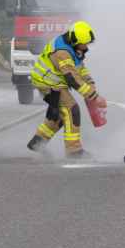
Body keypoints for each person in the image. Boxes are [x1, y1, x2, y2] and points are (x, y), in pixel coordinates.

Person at [27, 21, 107, 158]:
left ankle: (38, 142)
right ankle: (74, 151)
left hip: (54, 82)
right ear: (76, 40)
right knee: (71, 110)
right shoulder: (62, 52)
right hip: (47, 83)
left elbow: (80, 69)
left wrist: (91, 86)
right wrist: (94, 97)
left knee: (58, 114)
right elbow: (72, 78)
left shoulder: (74, 47)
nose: (86, 46)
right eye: (85, 43)